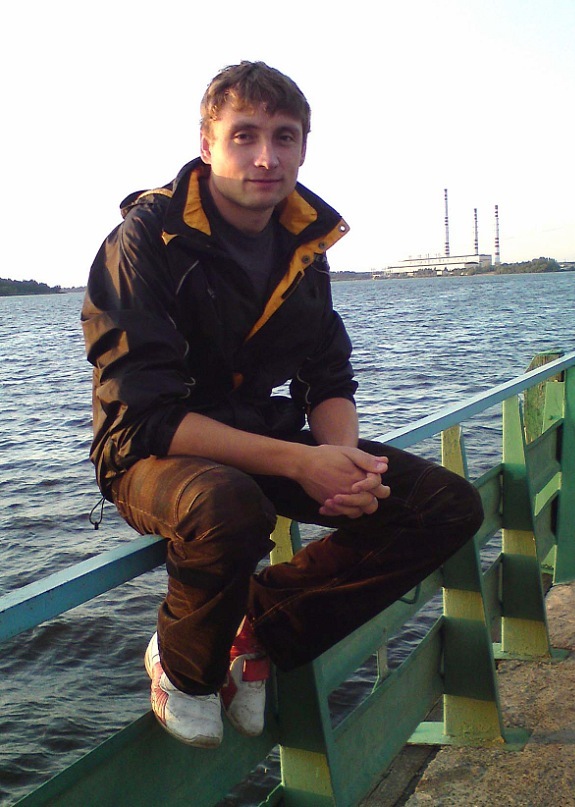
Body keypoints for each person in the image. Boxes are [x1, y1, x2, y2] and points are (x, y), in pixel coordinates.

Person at [82, 61, 483, 749]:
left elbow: (326, 374)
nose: (266, 157)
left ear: (303, 146)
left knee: (441, 505)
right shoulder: (145, 241)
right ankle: (183, 668)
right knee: (229, 505)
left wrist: (343, 462)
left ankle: (259, 629)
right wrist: (300, 462)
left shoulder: (301, 241)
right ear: (207, 145)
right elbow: (146, 411)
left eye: (284, 136)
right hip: (150, 451)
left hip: (254, 436)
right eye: (244, 136)